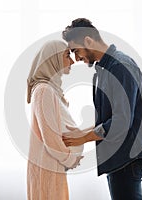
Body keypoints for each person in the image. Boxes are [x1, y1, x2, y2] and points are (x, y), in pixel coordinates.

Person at [62, 18, 142, 200]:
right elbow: (106, 121)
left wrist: (81, 137)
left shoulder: (121, 66)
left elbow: (120, 122)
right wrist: (79, 134)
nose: (76, 58)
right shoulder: (104, 70)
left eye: (76, 51)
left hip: (127, 157)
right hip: (119, 157)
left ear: (88, 40)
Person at [26, 40, 84, 200]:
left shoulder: (49, 90)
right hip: (49, 168)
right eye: (67, 56)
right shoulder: (44, 91)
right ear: (53, 59)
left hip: (52, 167)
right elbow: (50, 137)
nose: (72, 61)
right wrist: (71, 159)